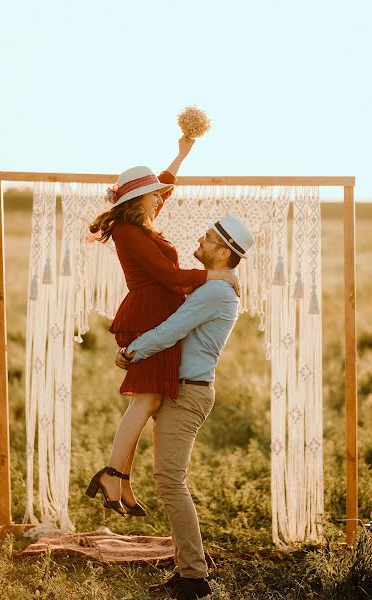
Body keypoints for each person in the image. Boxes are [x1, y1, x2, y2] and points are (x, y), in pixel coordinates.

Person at [85, 137, 240, 518]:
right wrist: (214, 275)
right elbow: (169, 277)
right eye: (152, 195)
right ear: (137, 201)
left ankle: (120, 479)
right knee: (144, 400)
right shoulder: (127, 232)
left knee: (150, 400)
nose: (160, 198)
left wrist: (184, 150)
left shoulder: (141, 222)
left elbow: (166, 184)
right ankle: (112, 475)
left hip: (156, 313)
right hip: (146, 315)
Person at [115, 214, 255, 600]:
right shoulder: (212, 287)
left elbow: (172, 329)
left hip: (189, 392)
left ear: (224, 252)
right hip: (181, 388)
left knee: (170, 482)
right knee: (170, 481)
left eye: (208, 238)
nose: (201, 239)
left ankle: (194, 577)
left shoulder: (215, 293)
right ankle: (189, 569)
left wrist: (132, 351)